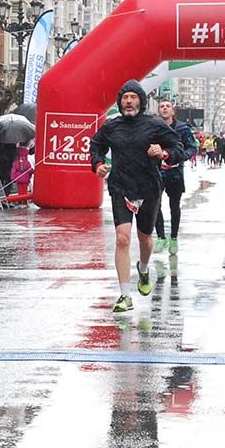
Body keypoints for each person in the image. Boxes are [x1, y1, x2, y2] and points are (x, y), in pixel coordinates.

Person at [89, 80, 185, 314]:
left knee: (145, 240)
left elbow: (178, 148)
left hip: (148, 187)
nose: (129, 101)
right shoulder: (112, 126)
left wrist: (163, 152)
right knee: (122, 238)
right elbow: (95, 146)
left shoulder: (154, 124)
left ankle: (143, 269)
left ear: (141, 101)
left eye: (133, 97)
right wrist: (98, 164)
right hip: (121, 185)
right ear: (120, 102)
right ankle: (124, 294)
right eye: (125, 97)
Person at [153, 100, 197, 255]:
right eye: (161, 106)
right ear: (159, 111)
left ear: (173, 111)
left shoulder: (182, 128)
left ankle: (173, 238)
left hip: (175, 173)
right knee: (154, 205)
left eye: (167, 106)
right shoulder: (154, 127)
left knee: (174, 206)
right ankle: (160, 237)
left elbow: (192, 147)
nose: (164, 108)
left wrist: (182, 157)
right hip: (157, 172)